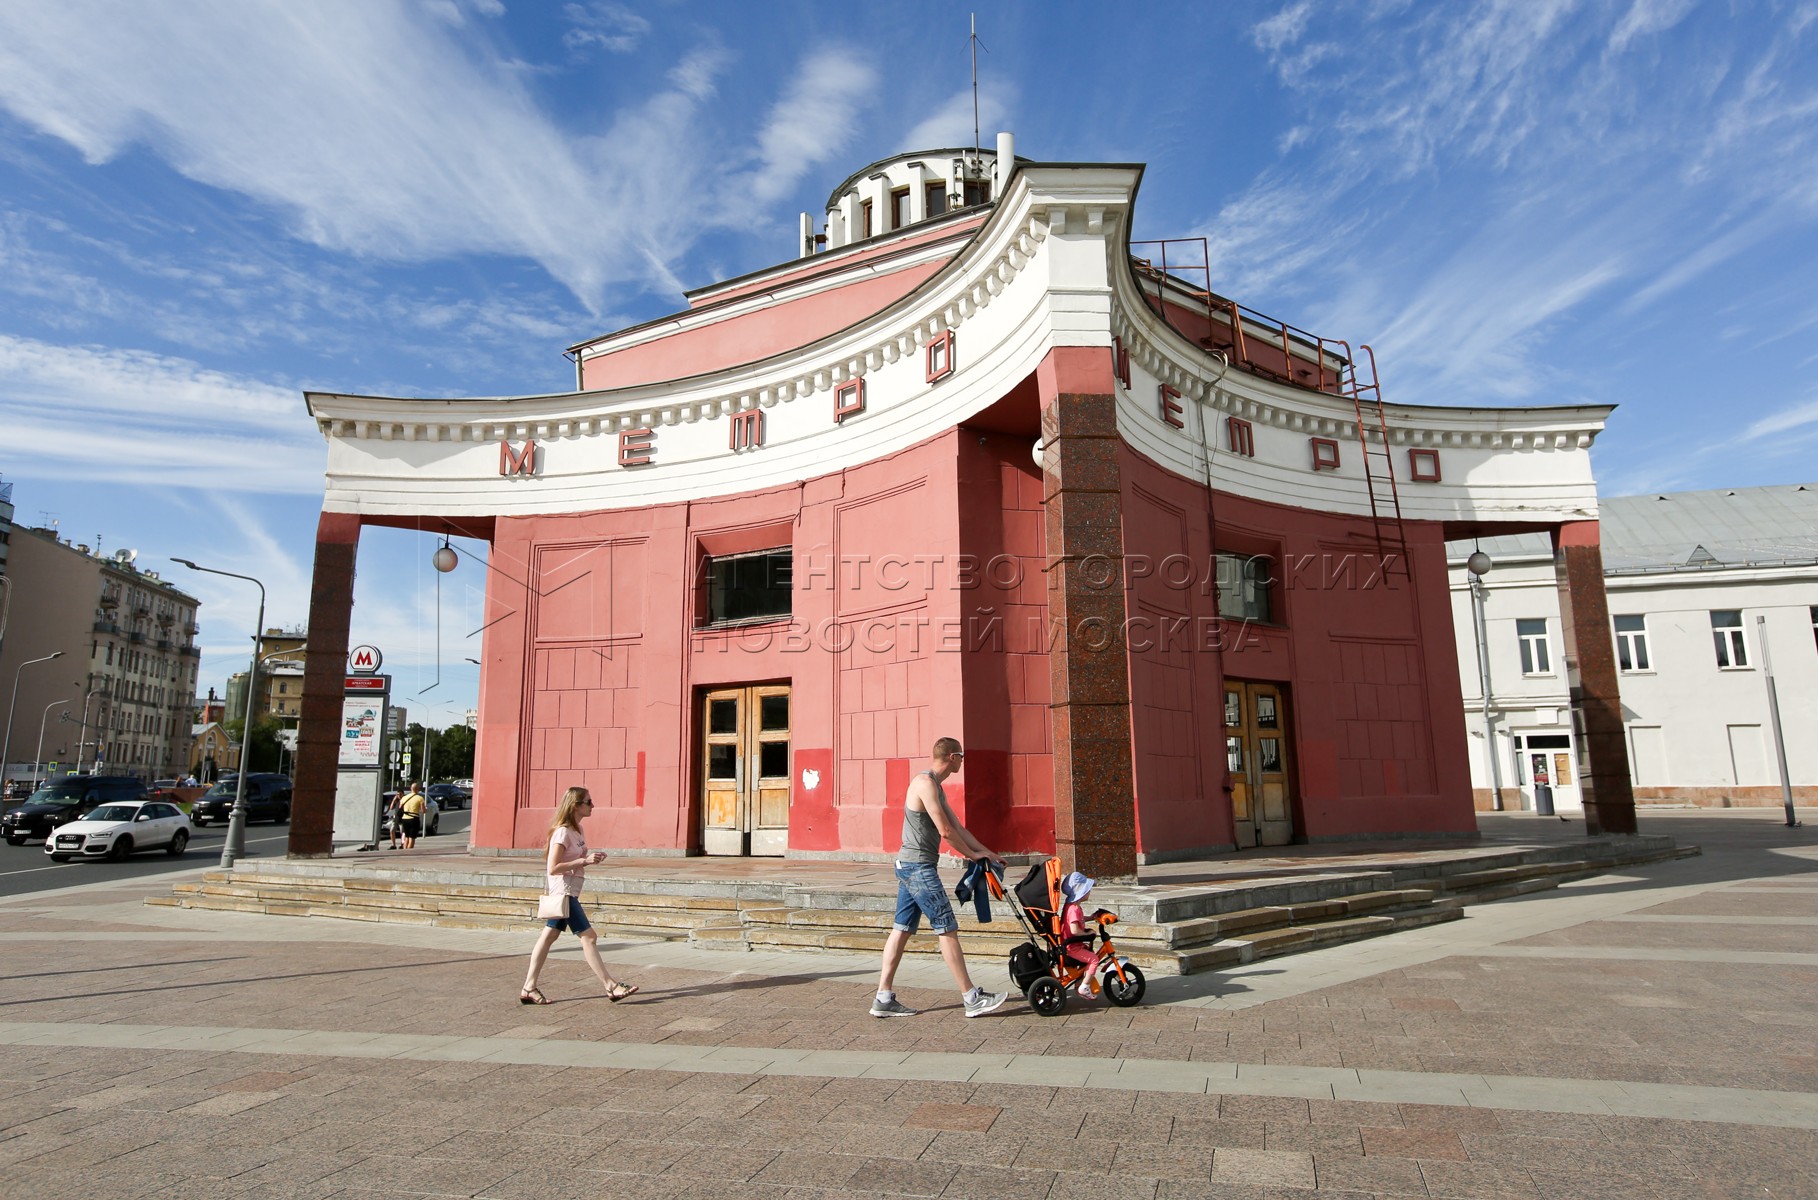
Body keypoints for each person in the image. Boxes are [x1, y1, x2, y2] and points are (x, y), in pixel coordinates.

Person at [872, 737, 1009, 1019]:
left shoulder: (935, 785)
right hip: (918, 867)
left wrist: (986, 852)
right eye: (962, 756)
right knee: (946, 928)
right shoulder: (924, 784)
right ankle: (971, 998)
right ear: (951, 756)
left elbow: (958, 827)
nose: (963, 761)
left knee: (902, 928)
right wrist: (972, 856)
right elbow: (946, 832)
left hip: (912, 866)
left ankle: (883, 998)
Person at [520, 786, 638, 1005]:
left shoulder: (578, 830)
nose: (593, 805)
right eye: (588, 802)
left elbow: (578, 857)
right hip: (563, 893)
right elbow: (553, 867)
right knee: (589, 937)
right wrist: (584, 861)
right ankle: (610, 986)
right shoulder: (562, 832)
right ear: (576, 806)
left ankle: (529, 987)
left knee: (549, 936)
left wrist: (592, 858)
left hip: (571, 891)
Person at [1059, 870, 1101, 998]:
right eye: (1087, 889)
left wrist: (1091, 917)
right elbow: (1074, 930)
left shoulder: (1071, 906)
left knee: (1087, 955)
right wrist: (1087, 933)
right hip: (1072, 947)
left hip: (1071, 945)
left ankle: (1078, 983)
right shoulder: (1074, 909)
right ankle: (1084, 987)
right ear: (1080, 892)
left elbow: (1078, 920)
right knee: (1094, 959)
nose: (1089, 891)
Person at [398, 781, 427, 849]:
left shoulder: (404, 798)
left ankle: (404, 851)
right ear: (417, 789)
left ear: (410, 789)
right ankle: (409, 852)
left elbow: (400, 807)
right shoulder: (420, 798)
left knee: (406, 837)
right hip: (414, 819)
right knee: (412, 837)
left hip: (405, 819)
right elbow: (423, 810)